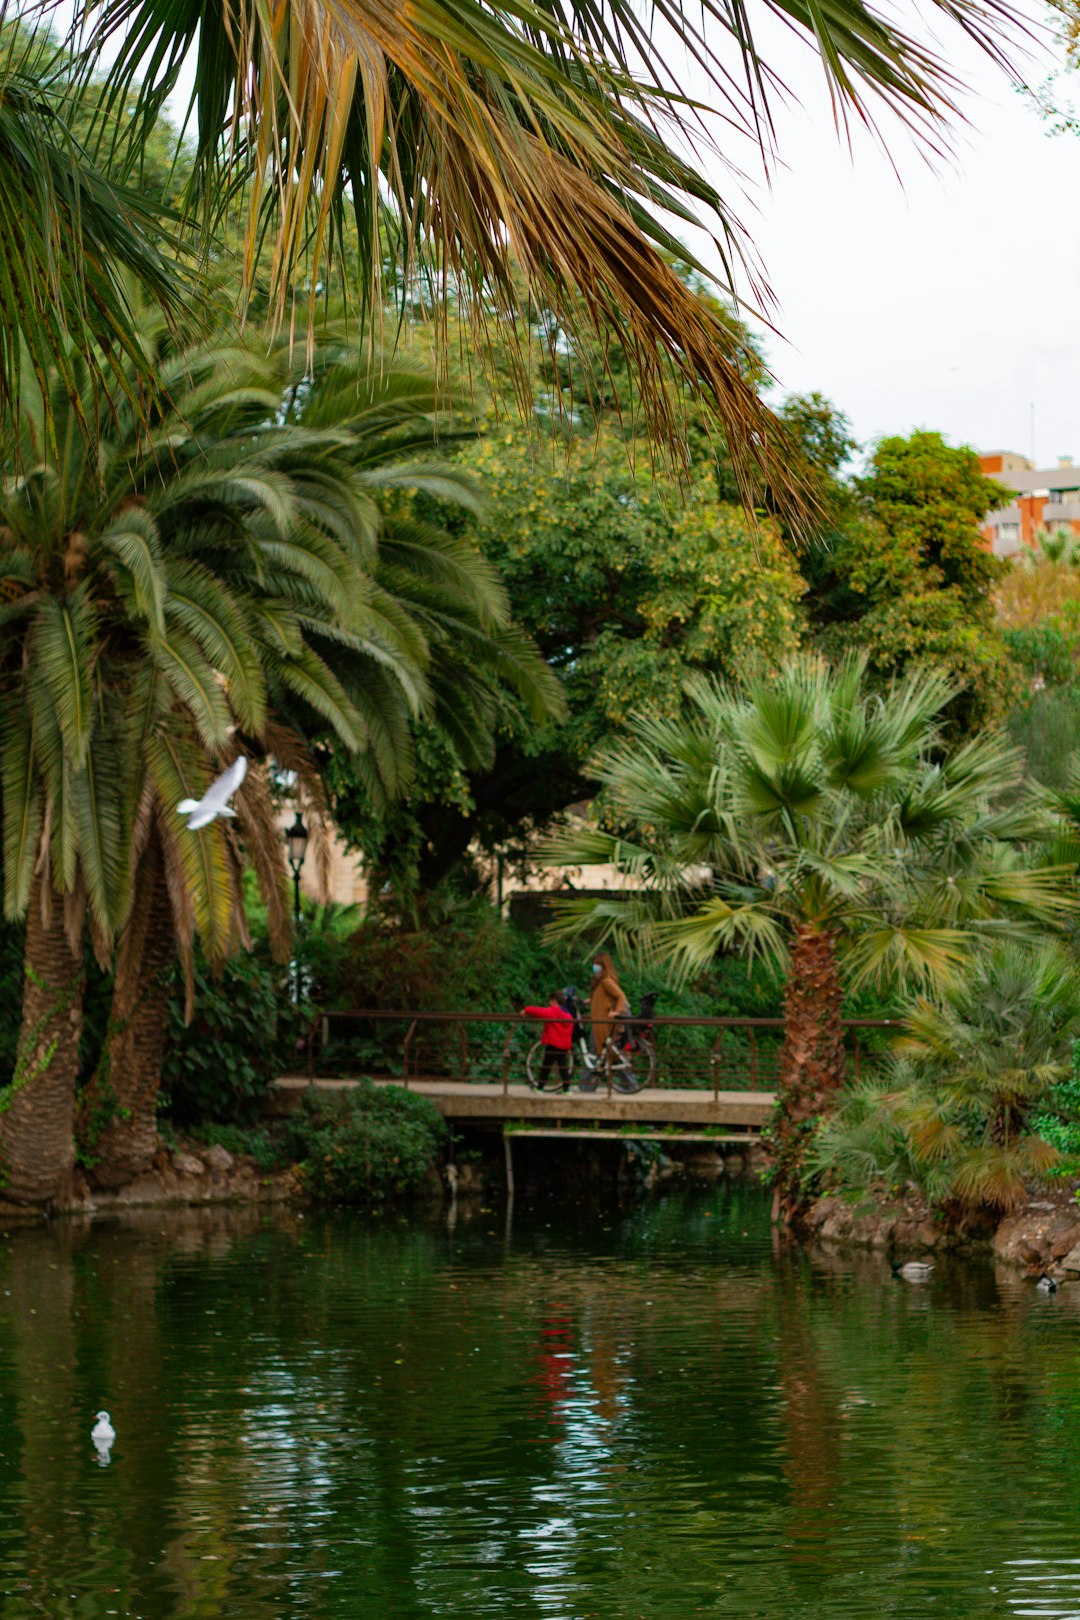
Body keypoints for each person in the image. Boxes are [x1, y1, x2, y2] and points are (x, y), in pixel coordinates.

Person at [521, 993, 573, 1090]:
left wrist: (526, 1009)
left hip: (553, 1043)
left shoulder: (553, 1011)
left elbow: (539, 1011)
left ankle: (540, 1087)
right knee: (563, 1067)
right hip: (563, 1044)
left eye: (550, 1002)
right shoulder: (567, 1014)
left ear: (554, 1001)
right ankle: (566, 1088)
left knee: (546, 1066)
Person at [589, 952, 629, 1057]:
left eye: (597, 966)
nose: (595, 969)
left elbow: (621, 996)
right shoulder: (601, 982)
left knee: (600, 1051)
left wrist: (617, 1011)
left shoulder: (606, 981)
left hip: (603, 1023)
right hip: (599, 1022)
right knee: (602, 1052)